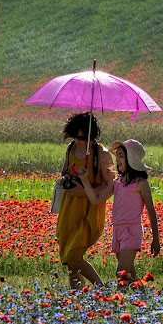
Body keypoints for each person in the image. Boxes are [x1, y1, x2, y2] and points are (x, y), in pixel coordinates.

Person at [76, 138, 160, 286]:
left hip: (131, 230)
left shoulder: (141, 184)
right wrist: (85, 181)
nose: (118, 160)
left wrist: (156, 239)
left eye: (121, 156)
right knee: (130, 276)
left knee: (121, 273)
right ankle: (143, 298)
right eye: (117, 156)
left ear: (131, 159)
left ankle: (119, 303)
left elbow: (151, 213)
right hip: (118, 230)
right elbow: (96, 200)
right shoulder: (117, 183)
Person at [56, 112, 116, 290]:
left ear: (92, 136)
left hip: (90, 208)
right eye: (75, 136)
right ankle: (77, 294)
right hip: (69, 207)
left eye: (82, 137)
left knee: (74, 255)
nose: (78, 141)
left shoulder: (102, 155)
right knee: (67, 255)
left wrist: (85, 190)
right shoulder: (71, 149)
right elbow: (64, 170)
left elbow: (112, 186)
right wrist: (64, 178)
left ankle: (101, 287)